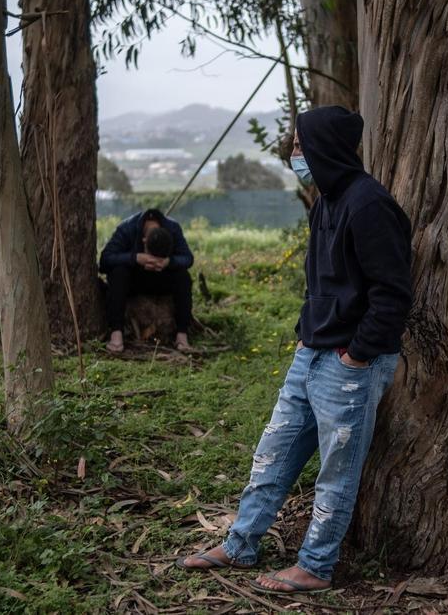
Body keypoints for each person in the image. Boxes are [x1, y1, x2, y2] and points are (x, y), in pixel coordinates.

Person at [175, 106, 413, 595]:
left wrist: (358, 355)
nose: (294, 153)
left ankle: (315, 567)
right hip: (313, 353)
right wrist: (307, 333)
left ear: (325, 146)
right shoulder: (326, 200)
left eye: (301, 145)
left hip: (350, 363)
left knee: (336, 471)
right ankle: (241, 543)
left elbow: (393, 293)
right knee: (273, 453)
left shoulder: (370, 206)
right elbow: (322, 282)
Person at [99, 208, 194, 353]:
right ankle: (116, 332)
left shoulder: (173, 228)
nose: (154, 261)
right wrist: (135, 258)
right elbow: (105, 261)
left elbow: (188, 258)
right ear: (144, 241)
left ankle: (182, 334)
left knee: (183, 276)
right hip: (134, 280)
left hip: (162, 278)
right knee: (118, 272)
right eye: (152, 256)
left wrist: (169, 262)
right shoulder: (127, 228)